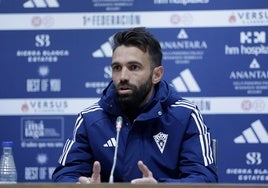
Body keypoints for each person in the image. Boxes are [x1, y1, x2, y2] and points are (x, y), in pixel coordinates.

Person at [52, 27, 218, 183]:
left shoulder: (185, 115)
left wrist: (160, 187)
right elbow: (64, 175)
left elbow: (204, 179)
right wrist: (80, 184)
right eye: (117, 67)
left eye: (134, 67)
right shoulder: (91, 119)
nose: (123, 76)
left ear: (156, 75)